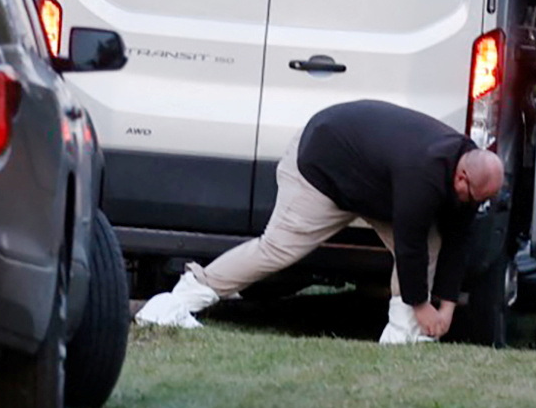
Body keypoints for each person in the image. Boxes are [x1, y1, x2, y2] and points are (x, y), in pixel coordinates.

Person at [135, 99, 504, 343]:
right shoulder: (422, 173)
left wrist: (448, 308)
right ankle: (177, 302)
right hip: (321, 165)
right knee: (277, 248)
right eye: (471, 197)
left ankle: (403, 337)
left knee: (431, 243)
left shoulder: (471, 180)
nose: (472, 205)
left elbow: (458, 240)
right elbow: (408, 245)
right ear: (460, 178)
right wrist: (425, 307)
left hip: (372, 182)